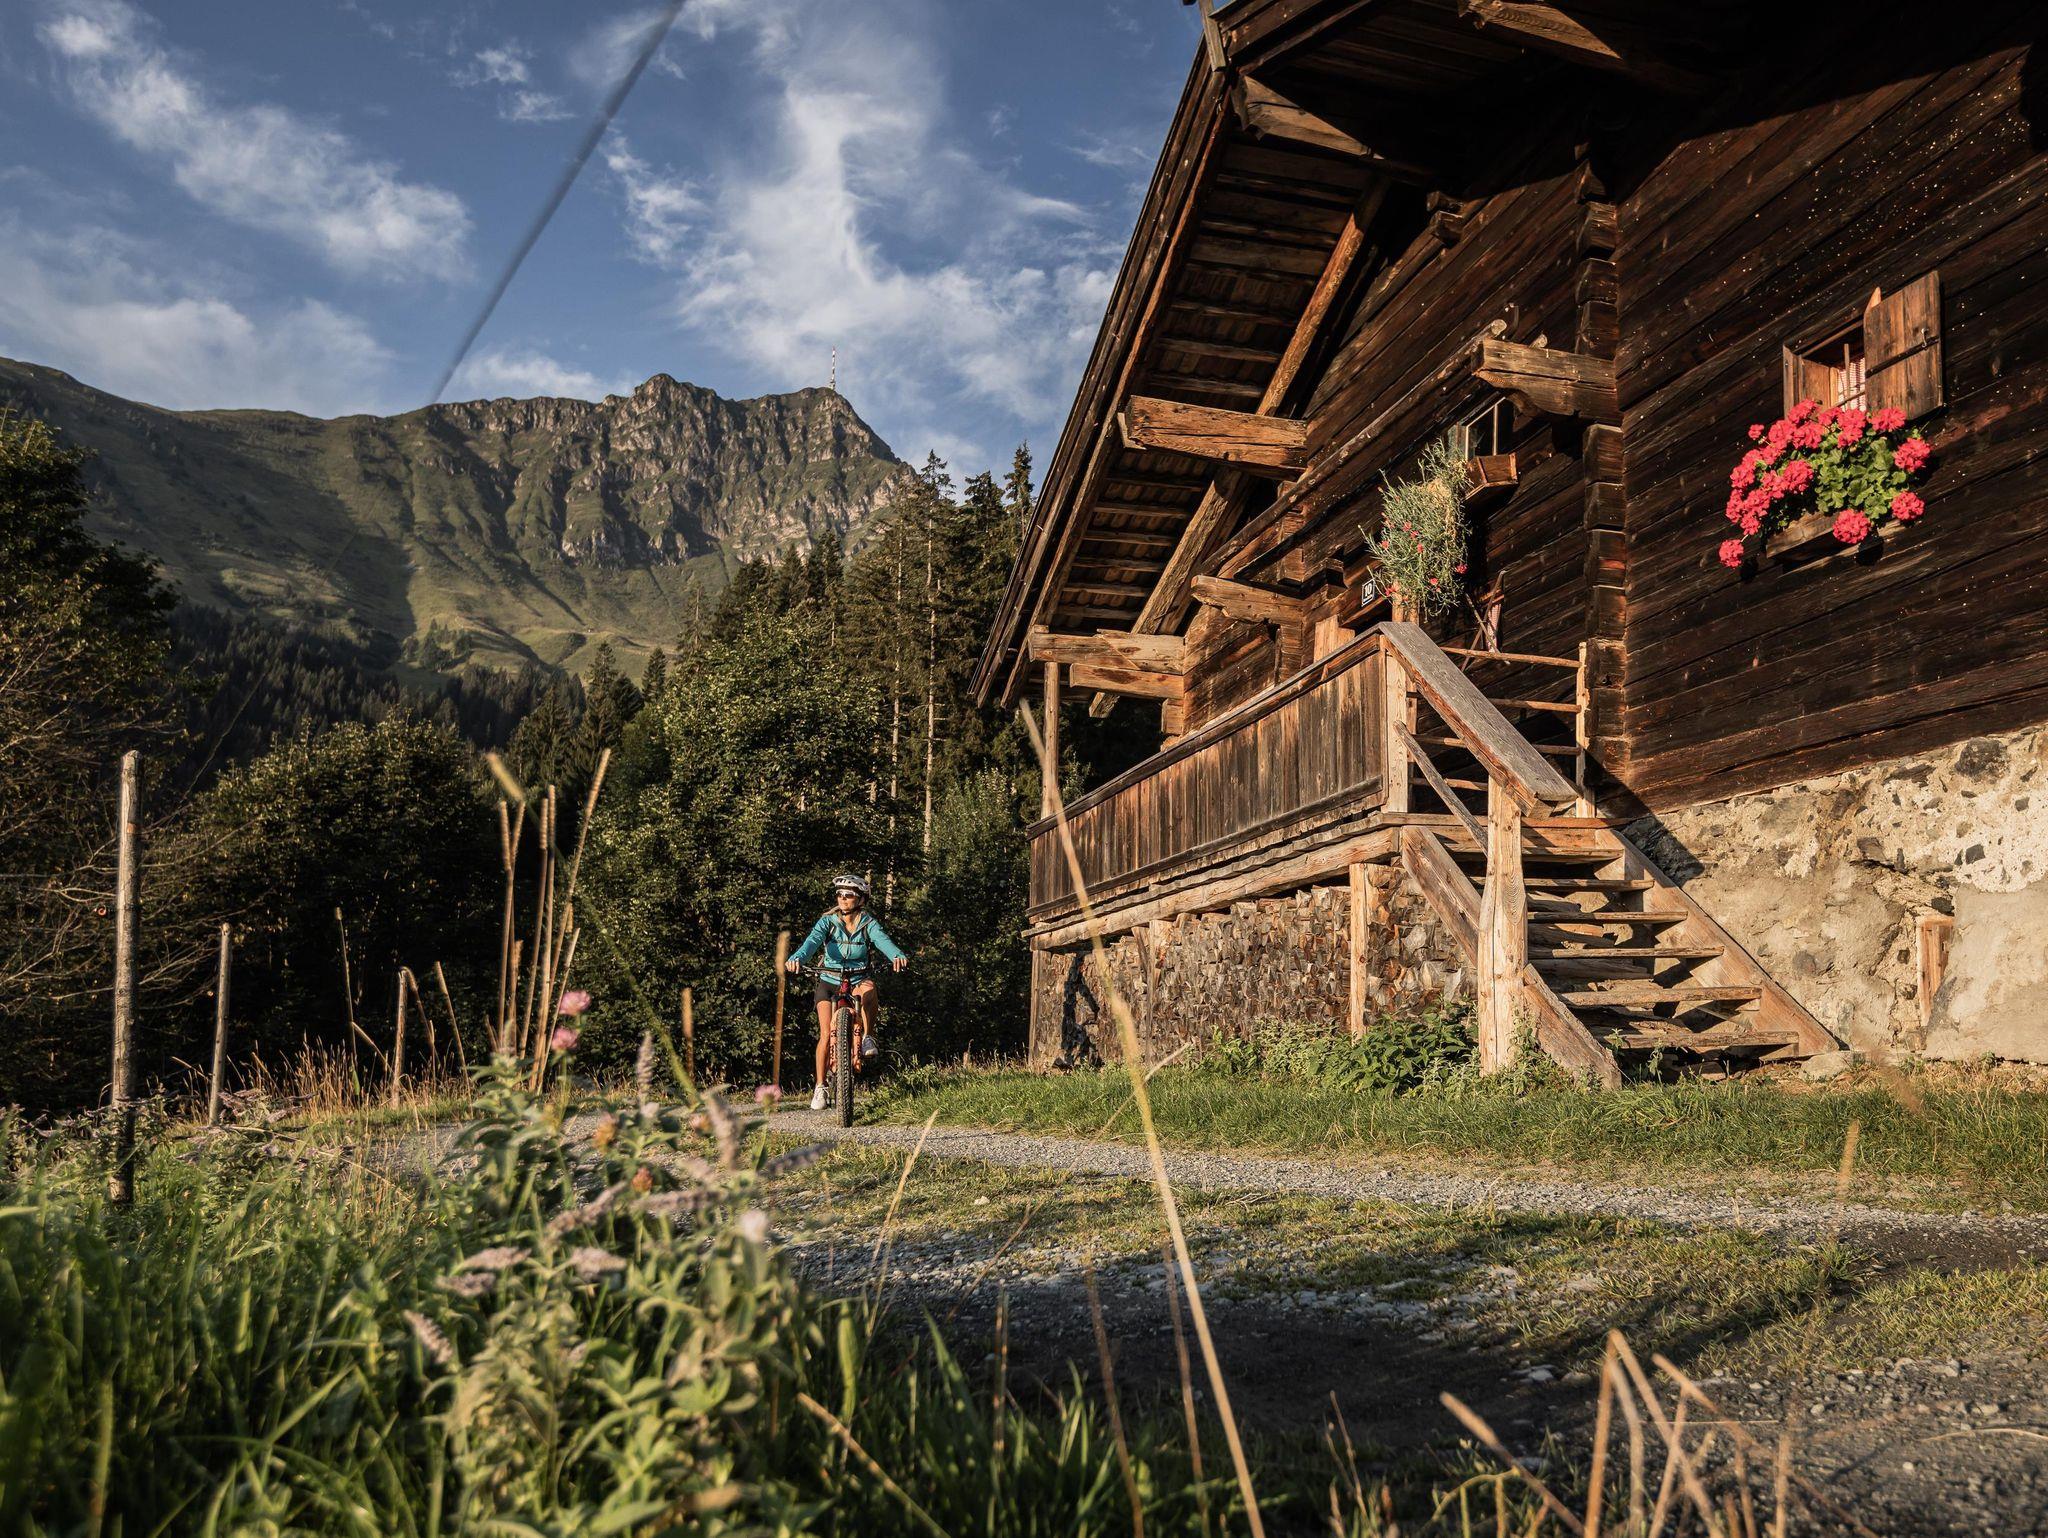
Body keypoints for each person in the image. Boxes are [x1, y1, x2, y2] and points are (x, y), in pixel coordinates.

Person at [785, 873, 907, 1111]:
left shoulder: (868, 924)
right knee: (824, 1034)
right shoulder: (827, 922)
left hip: (858, 977)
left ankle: (868, 1036)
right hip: (829, 979)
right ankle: (820, 1086)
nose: (842, 898)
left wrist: (896, 955)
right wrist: (797, 959)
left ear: (860, 899)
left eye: (848, 895)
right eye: (839, 894)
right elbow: (811, 942)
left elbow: (883, 941)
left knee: (870, 989)